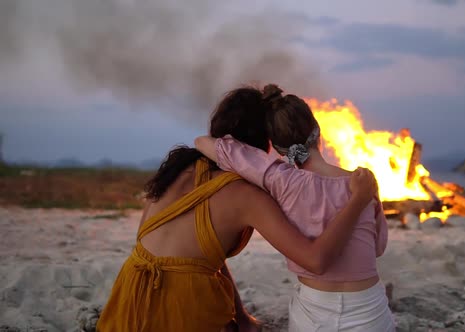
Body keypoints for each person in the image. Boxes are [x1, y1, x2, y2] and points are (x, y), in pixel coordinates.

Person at [95, 86, 377, 332]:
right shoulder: (246, 195)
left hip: (127, 298)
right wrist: (359, 199)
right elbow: (314, 260)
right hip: (177, 308)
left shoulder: (177, 169)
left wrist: (240, 316)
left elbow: (199, 254)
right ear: (261, 145)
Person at [195, 84, 395, 331]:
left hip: (314, 310)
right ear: (317, 129)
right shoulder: (363, 184)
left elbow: (204, 142)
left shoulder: (279, 179)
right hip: (368, 309)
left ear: (276, 147)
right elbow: (377, 247)